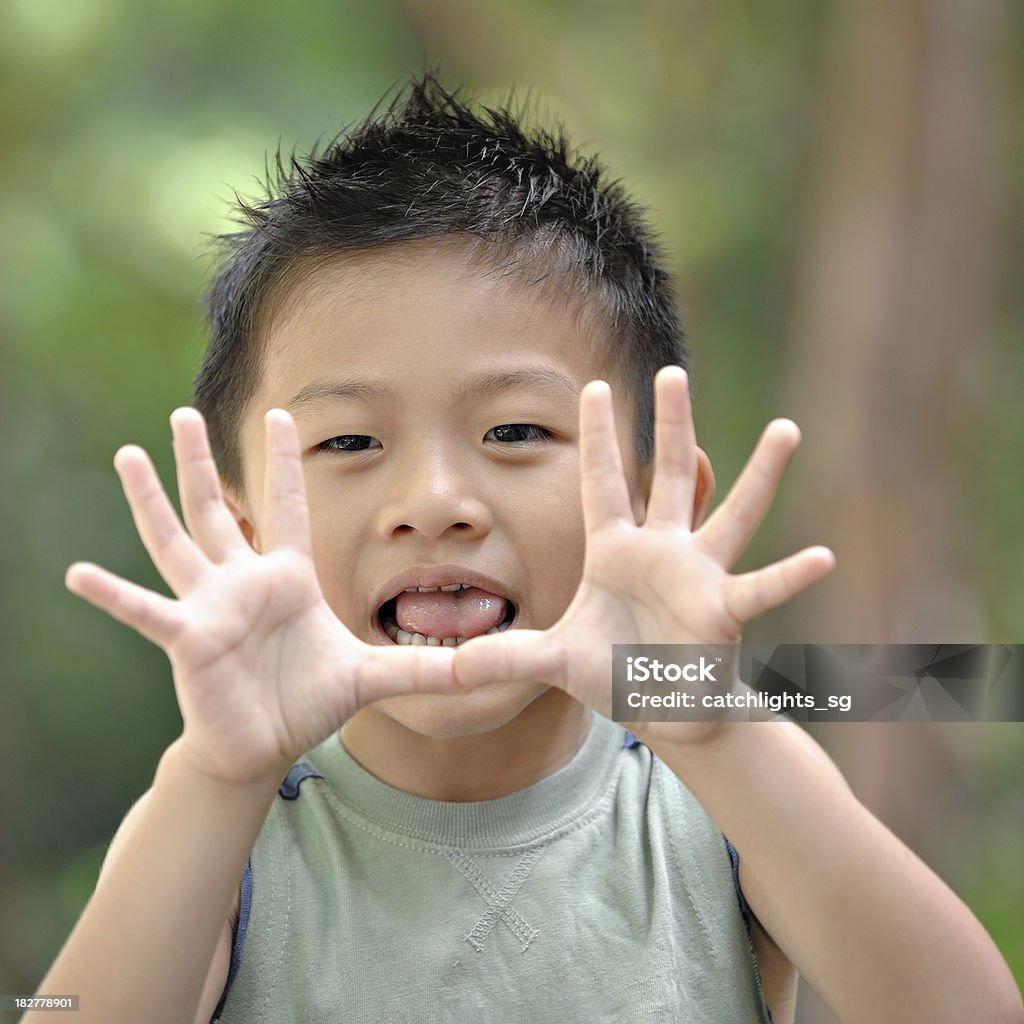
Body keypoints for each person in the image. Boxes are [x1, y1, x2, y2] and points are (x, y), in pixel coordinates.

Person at [26, 74, 1022, 1024]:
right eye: (348, 442)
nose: (436, 503)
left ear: (648, 503)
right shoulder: (218, 830)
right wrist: (217, 773)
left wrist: (715, 723)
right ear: (243, 531)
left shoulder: (716, 796)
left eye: (514, 431)